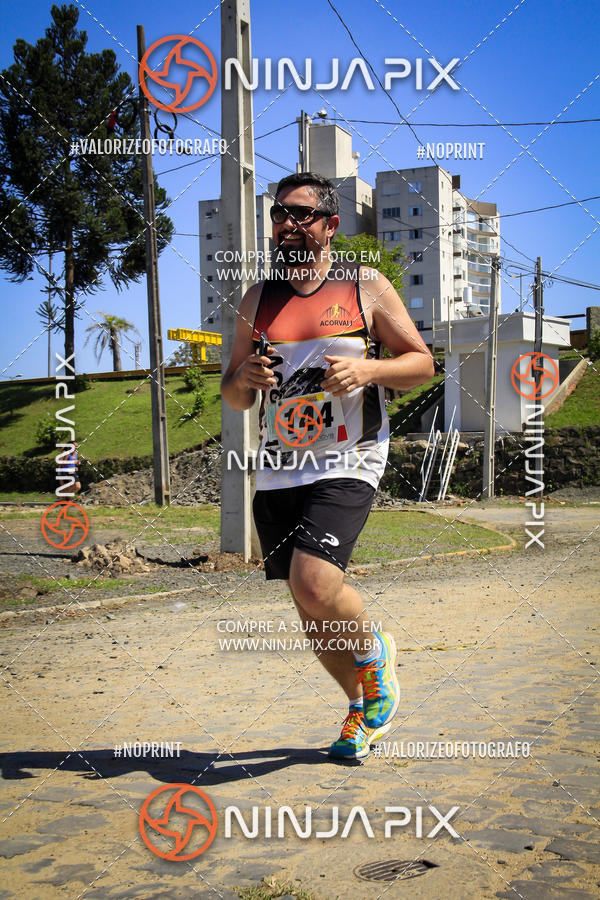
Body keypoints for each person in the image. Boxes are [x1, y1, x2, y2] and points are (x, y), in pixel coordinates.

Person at [221, 172, 434, 759]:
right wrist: (246, 379)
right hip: (281, 464)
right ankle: (362, 707)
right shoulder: (257, 300)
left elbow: (421, 364)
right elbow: (234, 396)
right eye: (279, 214)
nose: (287, 224)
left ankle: (375, 656)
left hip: (350, 454)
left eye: (300, 214)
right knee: (308, 603)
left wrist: (369, 370)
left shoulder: (363, 285)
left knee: (316, 582)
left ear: (330, 224)